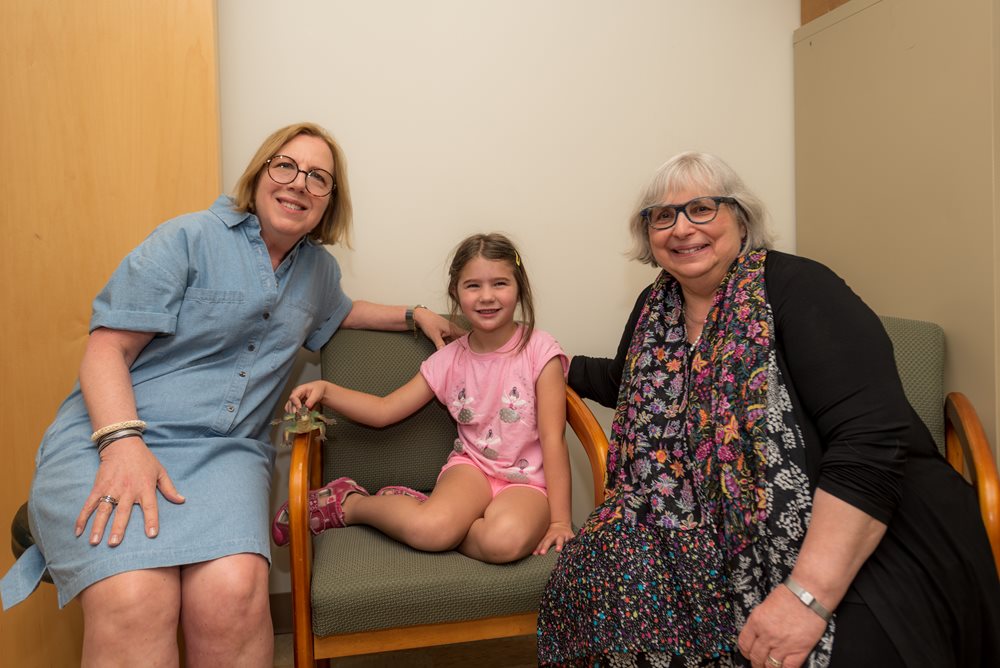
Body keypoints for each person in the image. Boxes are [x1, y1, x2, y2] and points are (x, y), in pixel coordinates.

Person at [0, 122, 459, 667]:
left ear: (330, 202)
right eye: (285, 166)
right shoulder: (187, 238)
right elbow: (107, 350)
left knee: (234, 595)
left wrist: (414, 313)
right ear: (261, 172)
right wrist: (122, 446)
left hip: (224, 453)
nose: (298, 184)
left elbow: (340, 311)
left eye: (319, 178)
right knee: (136, 598)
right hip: (118, 431)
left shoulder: (316, 271)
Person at [536, 152, 1000, 667]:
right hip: (706, 537)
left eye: (702, 209)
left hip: (861, 526)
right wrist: (527, 355)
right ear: (648, 237)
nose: (682, 227)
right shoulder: (654, 308)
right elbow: (625, 380)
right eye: (662, 216)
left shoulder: (800, 287)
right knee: (593, 588)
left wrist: (807, 595)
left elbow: (872, 439)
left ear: (741, 217)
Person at [273, 233, 575, 564]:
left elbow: (552, 439)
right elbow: (384, 410)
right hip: (471, 470)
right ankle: (353, 504)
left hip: (527, 483)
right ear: (455, 293)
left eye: (500, 283)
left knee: (501, 543)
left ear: (519, 289)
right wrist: (327, 390)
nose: (487, 296)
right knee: (431, 530)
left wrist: (560, 520)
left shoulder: (540, 351)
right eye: (473, 285)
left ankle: (425, 515)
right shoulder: (448, 360)